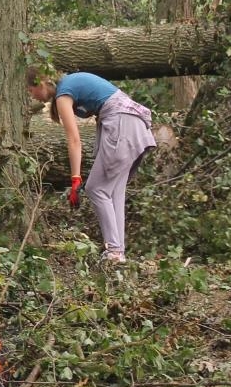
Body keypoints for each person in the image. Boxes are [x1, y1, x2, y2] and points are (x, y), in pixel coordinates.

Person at [26, 68, 156, 264]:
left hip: (122, 123)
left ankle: (113, 251)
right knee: (114, 192)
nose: (32, 96)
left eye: (30, 90)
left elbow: (74, 140)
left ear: (40, 83)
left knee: (97, 188)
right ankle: (117, 252)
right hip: (130, 123)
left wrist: (76, 178)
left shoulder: (63, 93)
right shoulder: (68, 84)